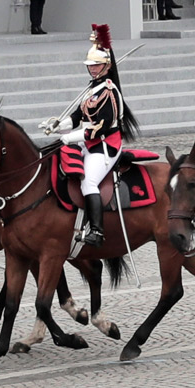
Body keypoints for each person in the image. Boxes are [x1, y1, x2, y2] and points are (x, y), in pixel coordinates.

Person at [55, 24, 138, 247]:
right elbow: (77, 116)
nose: (92, 69)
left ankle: (97, 231)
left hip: (104, 146)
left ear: (107, 66)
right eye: (90, 65)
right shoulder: (92, 89)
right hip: (88, 143)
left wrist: (71, 137)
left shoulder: (109, 92)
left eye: (96, 65)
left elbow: (99, 128)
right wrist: (59, 125)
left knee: (89, 182)